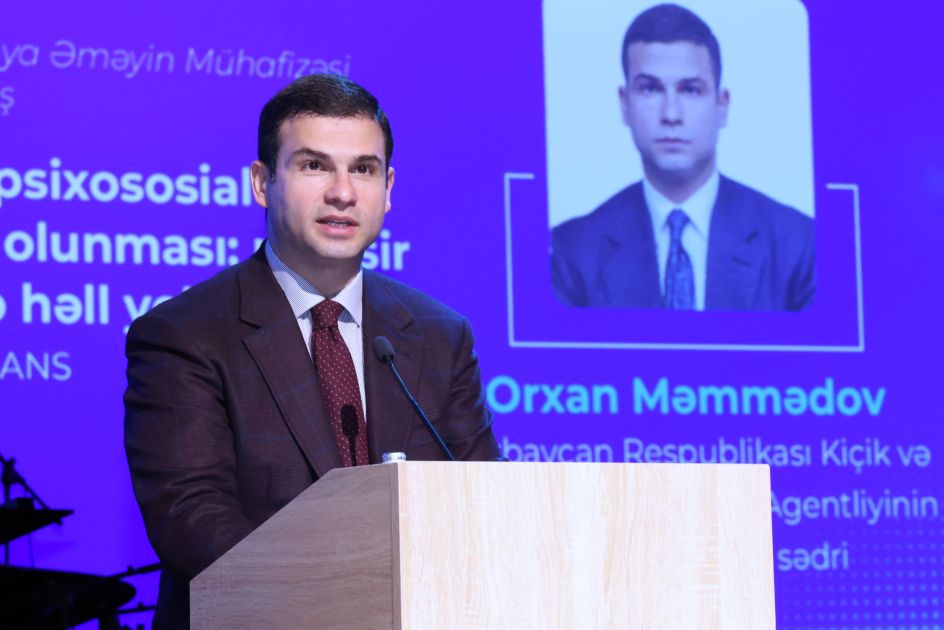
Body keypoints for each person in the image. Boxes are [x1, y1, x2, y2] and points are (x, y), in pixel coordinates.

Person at [124, 74, 501, 629]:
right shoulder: (184, 335)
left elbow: (484, 508)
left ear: (388, 188)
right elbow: (192, 519)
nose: (342, 193)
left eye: (363, 169)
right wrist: (348, 606)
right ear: (262, 182)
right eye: (314, 166)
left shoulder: (440, 336)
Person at [551, 3, 815, 311]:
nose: (671, 114)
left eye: (690, 90)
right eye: (650, 89)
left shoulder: (799, 245)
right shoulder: (571, 252)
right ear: (624, 104)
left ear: (722, 105)